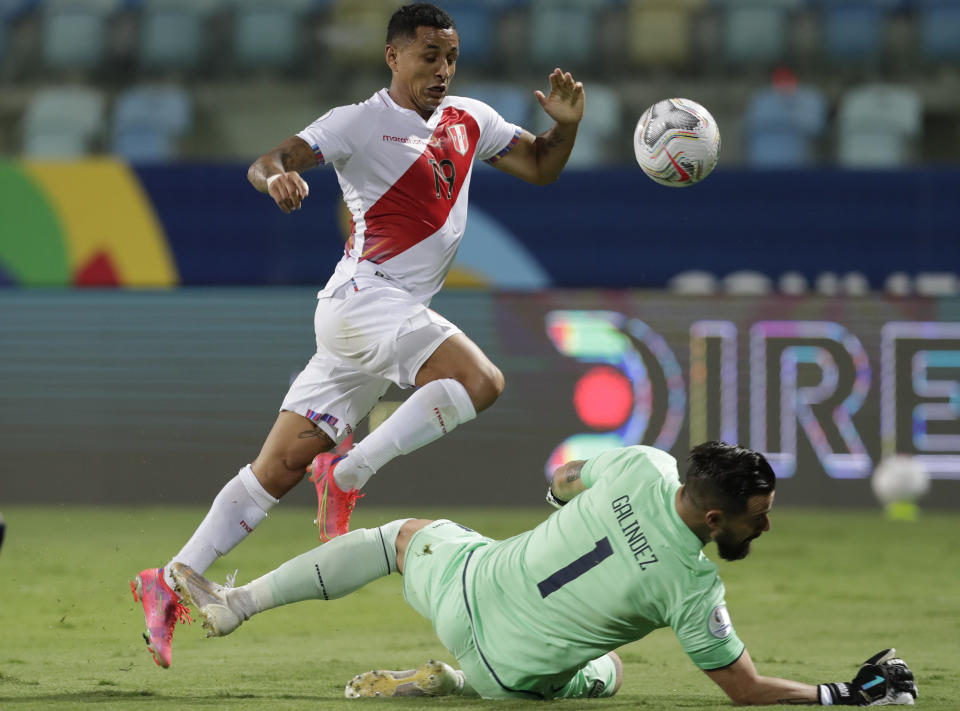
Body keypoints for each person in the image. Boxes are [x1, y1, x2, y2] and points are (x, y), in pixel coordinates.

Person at [130, 2, 585, 669]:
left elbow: (543, 166)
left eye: (451, 57)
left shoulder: (472, 119)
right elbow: (272, 157)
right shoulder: (359, 122)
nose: (443, 69)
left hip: (377, 319)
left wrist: (566, 128)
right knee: (480, 381)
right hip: (366, 300)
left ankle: (167, 580)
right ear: (393, 56)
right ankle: (348, 470)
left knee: (275, 470)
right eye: (429, 55)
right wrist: (277, 177)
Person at [169, 442, 918, 705]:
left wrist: (565, 506)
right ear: (717, 519)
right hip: (510, 674)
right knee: (611, 669)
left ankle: (239, 602)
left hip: (467, 581)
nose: (768, 523)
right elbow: (747, 690)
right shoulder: (693, 587)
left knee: (398, 536)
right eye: (760, 513)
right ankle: (458, 681)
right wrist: (843, 695)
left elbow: (563, 477)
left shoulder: (641, 464)